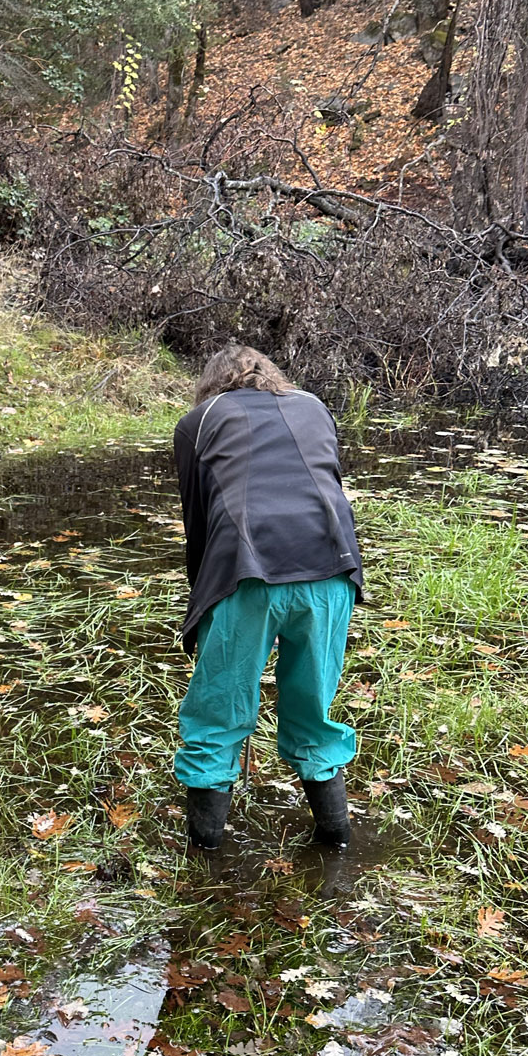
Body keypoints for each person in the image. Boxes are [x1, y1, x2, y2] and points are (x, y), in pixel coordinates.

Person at [173, 344, 363, 849]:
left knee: (219, 711)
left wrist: (202, 605)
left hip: (244, 575)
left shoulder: (201, 419)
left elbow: (199, 523)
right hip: (333, 569)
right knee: (313, 710)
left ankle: (206, 859)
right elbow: (325, 482)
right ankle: (336, 843)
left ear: (211, 383)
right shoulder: (314, 406)